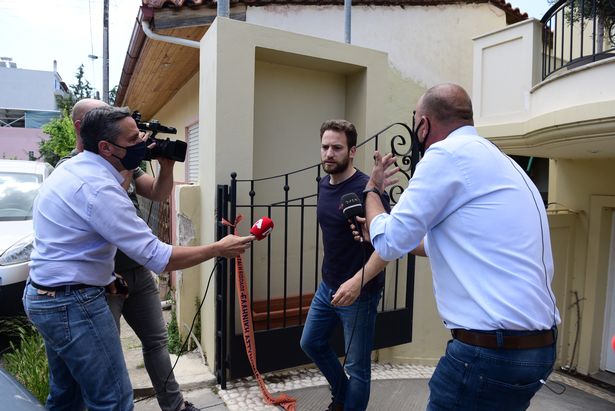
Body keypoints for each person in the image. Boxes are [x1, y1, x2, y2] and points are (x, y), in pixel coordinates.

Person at [24, 105, 254, 411]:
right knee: (113, 399)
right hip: (72, 303)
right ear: (106, 147)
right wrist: (217, 248)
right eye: (134, 140)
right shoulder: (99, 189)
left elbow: (78, 244)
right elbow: (158, 256)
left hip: (46, 294)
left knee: (67, 394)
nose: (143, 145)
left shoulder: (74, 168)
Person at [361, 83, 561, 410]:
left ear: (423, 125)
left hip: (490, 355)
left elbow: (389, 241)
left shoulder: (445, 155)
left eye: (415, 125)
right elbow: (451, 243)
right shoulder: (502, 163)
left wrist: (373, 193)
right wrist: (388, 229)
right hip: (537, 351)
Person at [57, 98, 194, 411]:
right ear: (83, 127)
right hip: (104, 280)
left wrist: (166, 166)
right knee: (107, 352)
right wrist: (129, 164)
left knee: (157, 342)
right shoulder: (75, 170)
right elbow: (108, 199)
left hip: (137, 271)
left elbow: (158, 193)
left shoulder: (125, 159)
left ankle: (174, 405)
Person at [299, 119, 392, 411]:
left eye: (336, 148)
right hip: (328, 285)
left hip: (360, 291)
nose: (329, 153)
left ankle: (346, 401)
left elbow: (388, 248)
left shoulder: (369, 191)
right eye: (325, 147)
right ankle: (341, 396)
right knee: (311, 342)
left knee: (358, 368)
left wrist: (358, 282)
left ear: (352, 151)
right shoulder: (323, 184)